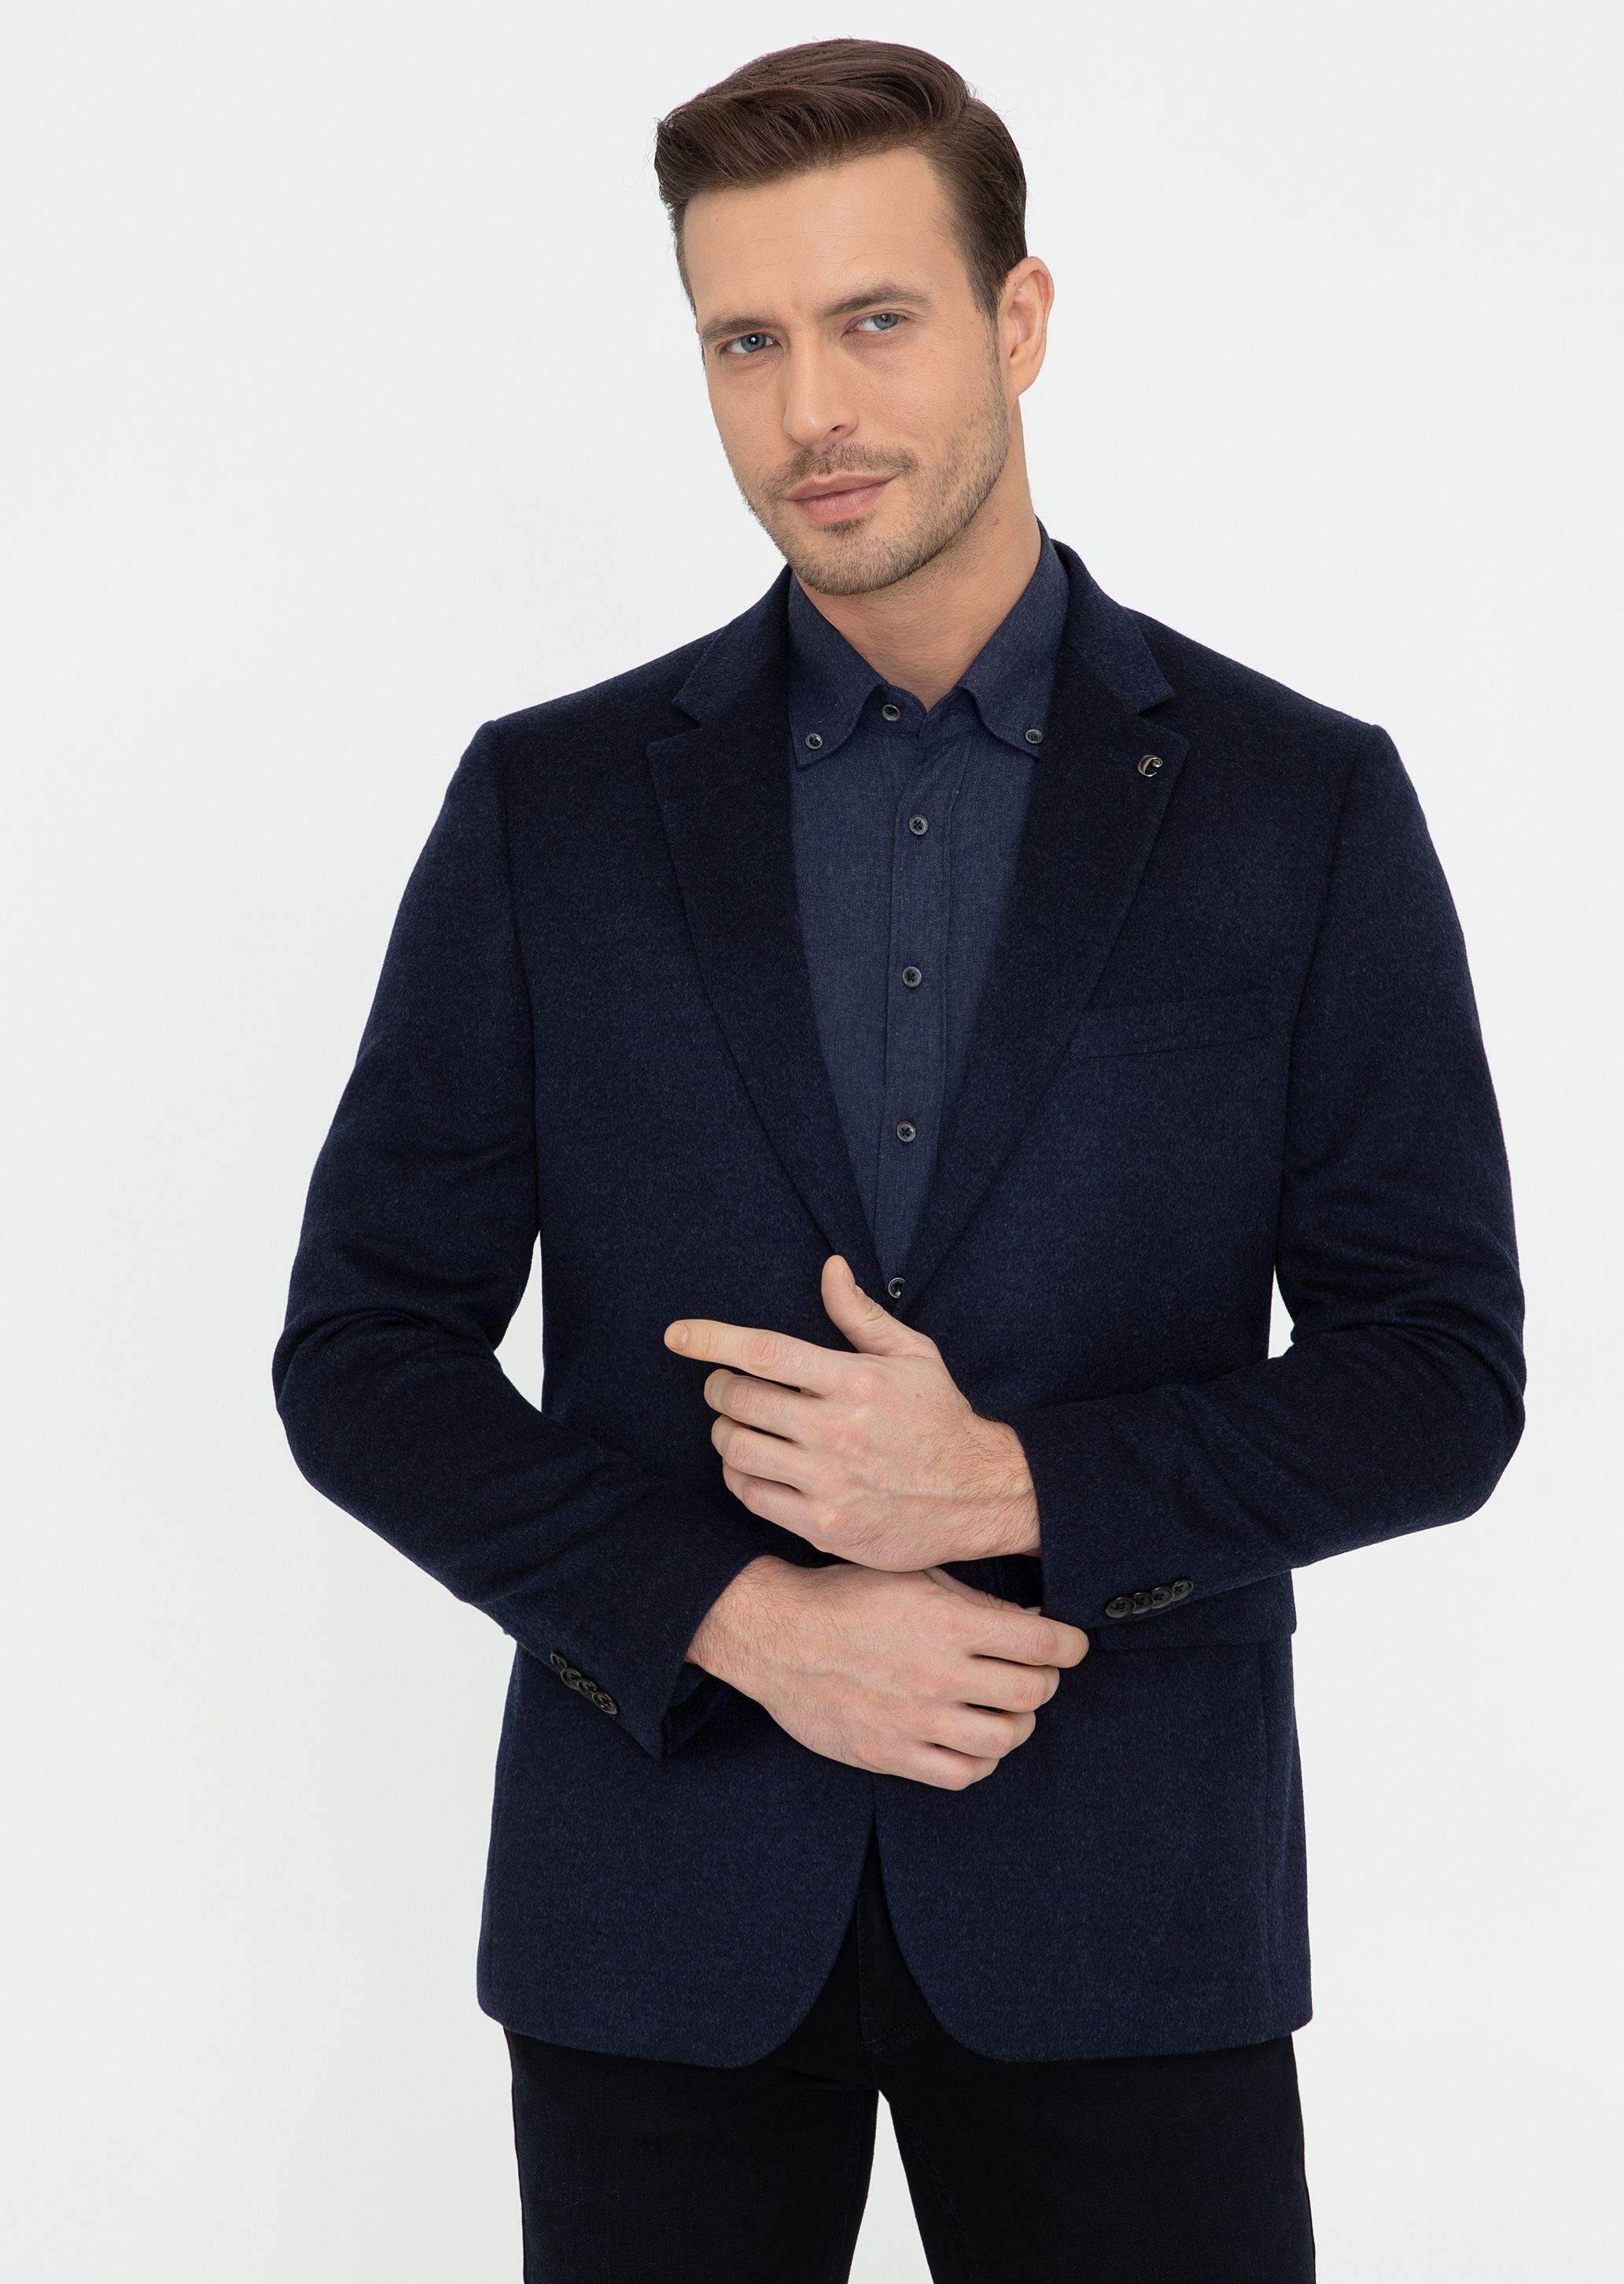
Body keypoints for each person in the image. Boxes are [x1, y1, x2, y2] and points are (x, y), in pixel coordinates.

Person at [274, 37, 1524, 2282]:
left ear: (1017, 320)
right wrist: (732, 1618)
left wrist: (1011, 1488)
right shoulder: (552, 805)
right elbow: (364, 1352)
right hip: (657, 1908)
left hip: (1124, 1914)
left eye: (874, 321)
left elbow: (1438, 1376)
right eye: (743, 342)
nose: (809, 413)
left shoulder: (1296, 802)